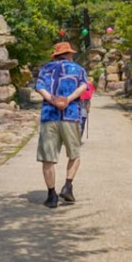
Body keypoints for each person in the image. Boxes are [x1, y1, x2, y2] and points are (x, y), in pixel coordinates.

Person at [34, 41, 89, 208]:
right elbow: (83, 86)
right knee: (74, 153)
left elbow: (40, 87)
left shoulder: (45, 69)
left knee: (48, 158)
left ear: (55, 55)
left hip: (49, 115)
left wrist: (53, 100)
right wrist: (67, 100)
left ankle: (51, 196)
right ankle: (68, 185)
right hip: (70, 115)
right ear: (69, 54)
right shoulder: (78, 69)